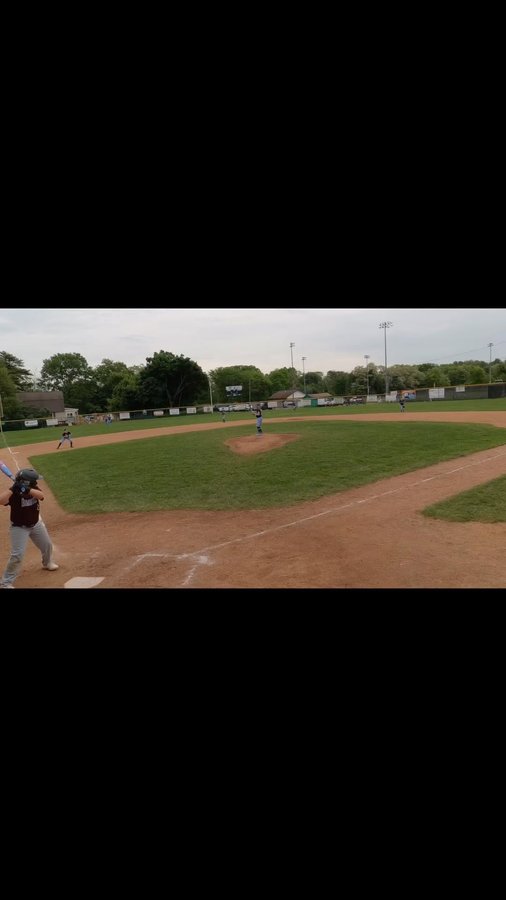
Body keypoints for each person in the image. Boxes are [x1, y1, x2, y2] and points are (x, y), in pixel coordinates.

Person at [0, 468, 59, 589]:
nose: (36, 483)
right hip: (19, 527)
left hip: (35, 524)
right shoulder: (14, 493)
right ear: (27, 481)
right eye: (34, 481)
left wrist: (27, 489)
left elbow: (41, 496)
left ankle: (47, 563)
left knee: (47, 545)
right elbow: (1, 501)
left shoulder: (34, 489)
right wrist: (12, 489)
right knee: (17, 555)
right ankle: (5, 583)